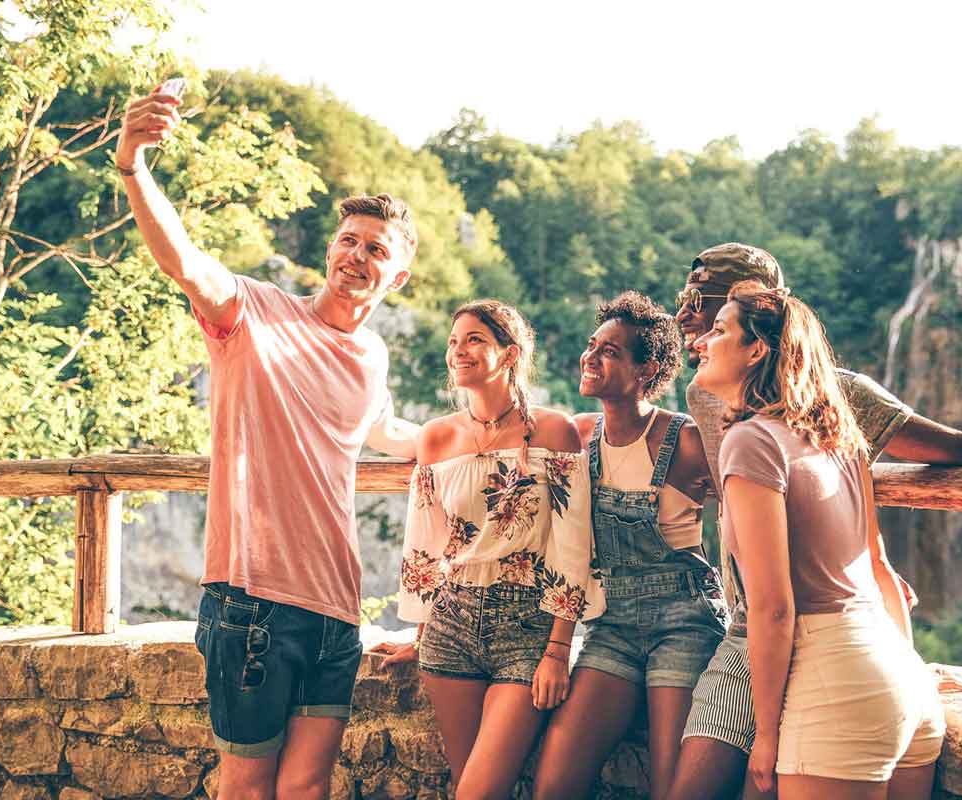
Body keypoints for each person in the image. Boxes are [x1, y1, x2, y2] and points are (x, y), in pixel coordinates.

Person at [669, 243, 962, 800]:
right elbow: (871, 564)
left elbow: (956, 445)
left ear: (757, 333)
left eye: (707, 305)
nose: (688, 318)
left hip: (809, 646)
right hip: (798, 642)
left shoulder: (834, 402)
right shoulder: (712, 395)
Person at [116, 86, 419, 800]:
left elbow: (385, 433)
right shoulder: (253, 311)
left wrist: (504, 429)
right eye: (348, 240)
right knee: (247, 791)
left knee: (306, 791)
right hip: (251, 602)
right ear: (329, 248)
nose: (357, 254)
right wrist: (134, 164)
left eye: (376, 249)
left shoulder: (372, 355)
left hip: (336, 610)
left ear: (396, 275)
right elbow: (184, 261)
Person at [690, 280, 945, 799]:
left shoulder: (750, 441)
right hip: (902, 680)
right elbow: (878, 568)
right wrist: (906, 675)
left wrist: (764, 734)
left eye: (717, 331)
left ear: (756, 349)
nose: (699, 342)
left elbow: (773, 608)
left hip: (836, 685)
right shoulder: (840, 437)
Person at [373, 300, 604, 800]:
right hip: (450, 628)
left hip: (528, 629)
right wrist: (421, 629)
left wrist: (558, 650)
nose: (459, 350)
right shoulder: (437, 437)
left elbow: (573, 545)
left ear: (510, 353)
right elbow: (425, 549)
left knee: (477, 792)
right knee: (471, 787)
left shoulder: (554, 430)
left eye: (475, 339)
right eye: (454, 341)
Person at [531, 292, 727, 800]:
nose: (590, 358)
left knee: (671, 787)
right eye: (592, 346)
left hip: (684, 618)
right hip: (611, 622)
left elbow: (751, 501)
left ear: (648, 369)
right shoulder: (579, 434)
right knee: (552, 785)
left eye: (611, 352)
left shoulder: (684, 441)